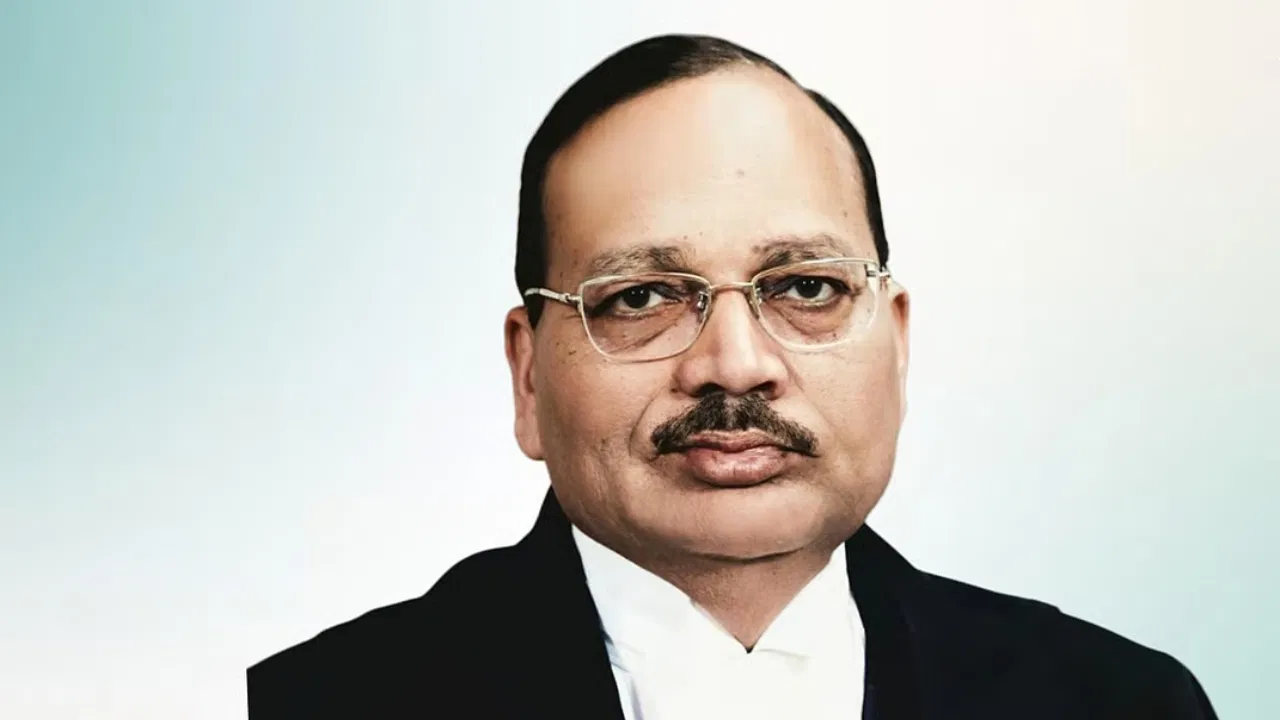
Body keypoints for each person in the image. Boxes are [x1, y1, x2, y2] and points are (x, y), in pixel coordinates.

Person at [246, 34, 1218, 719]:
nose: (736, 365)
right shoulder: (300, 704)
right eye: (640, 297)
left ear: (896, 344)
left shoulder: (1121, 705)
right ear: (528, 376)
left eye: (804, 287)